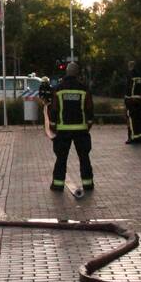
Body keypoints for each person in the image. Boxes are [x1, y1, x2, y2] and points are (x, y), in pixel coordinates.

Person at [45, 61, 94, 192]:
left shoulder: (59, 89)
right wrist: (88, 125)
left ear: (66, 72)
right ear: (77, 73)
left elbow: (54, 110)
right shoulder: (84, 89)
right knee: (84, 158)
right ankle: (88, 184)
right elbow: (89, 109)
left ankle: (58, 184)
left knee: (61, 158)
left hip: (63, 129)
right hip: (81, 129)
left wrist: (53, 127)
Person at [124, 60, 141, 144]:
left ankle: (132, 137)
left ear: (130, 66)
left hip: (131, 100)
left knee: (131, 119)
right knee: (139, 119)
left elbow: (128, 88)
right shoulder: (140, 75)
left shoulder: (129, 75)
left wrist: (126, 98)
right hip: (139, 100)